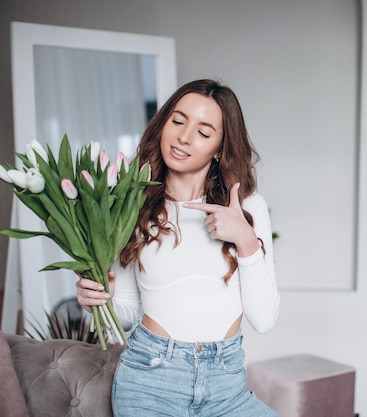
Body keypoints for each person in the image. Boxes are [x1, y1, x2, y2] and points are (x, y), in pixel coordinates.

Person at [75, 79, 280, 417]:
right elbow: (126, 314)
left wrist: (245, 240)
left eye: (203, 131)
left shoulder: (248, 207)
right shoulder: (131, 206)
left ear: (219, 148)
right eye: (178, 120)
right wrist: (101, 294)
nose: (184, 137)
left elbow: (264, 319)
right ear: (163, 125)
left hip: (226, 386)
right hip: (149, 382)